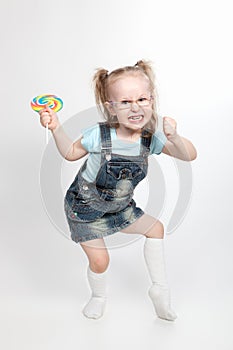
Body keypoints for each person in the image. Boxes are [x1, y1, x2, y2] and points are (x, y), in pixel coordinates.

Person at [39, 60, 197, 321]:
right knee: (101, 262)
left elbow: (189, 155)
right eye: (125, 102)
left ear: (152, 100)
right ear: (111, 107)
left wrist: (175, 138)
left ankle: (159, 291)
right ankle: (98, 296)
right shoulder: (98, 135)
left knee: (155, 228)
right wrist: (56, 127)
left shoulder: (151, 138)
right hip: (84, 210)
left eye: (142, 99)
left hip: (120, 208)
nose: (135, 107)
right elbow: (69, 153)